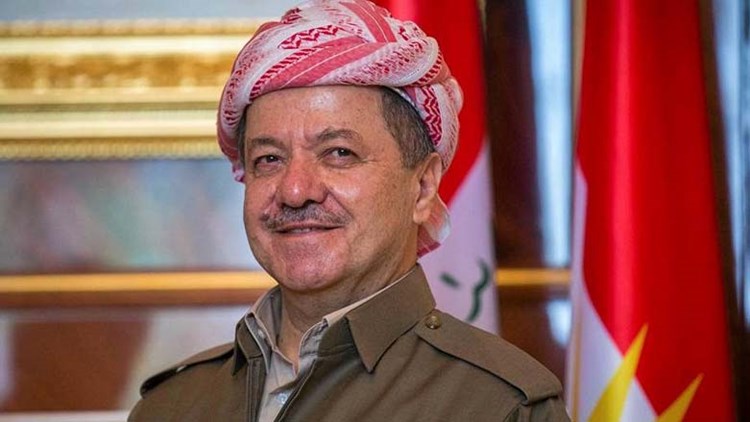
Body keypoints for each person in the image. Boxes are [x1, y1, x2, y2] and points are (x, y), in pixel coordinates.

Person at [129, 1, 569, 421]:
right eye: (269, 159)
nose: (295, 191)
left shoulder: (496, 408)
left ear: (422, 187)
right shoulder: (172, 406)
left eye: (339, 153)